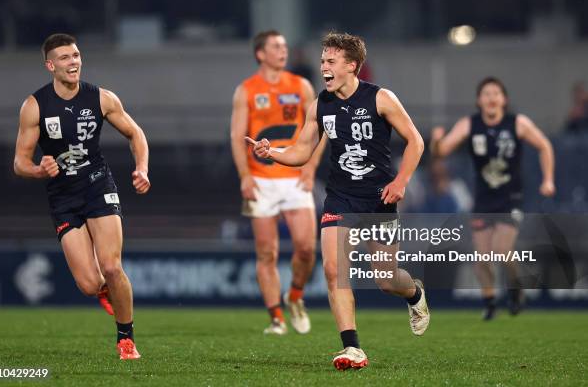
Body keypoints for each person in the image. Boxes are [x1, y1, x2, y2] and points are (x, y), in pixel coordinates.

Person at [247, 32, 429, 370]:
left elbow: (416, 142)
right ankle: (353, 348)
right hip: (340, 198)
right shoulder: (320, 105)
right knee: (334, 271)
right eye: (322, 61)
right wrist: (272, 151)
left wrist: (400, 181)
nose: (323, 67)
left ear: (352, 65)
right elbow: (302, 151)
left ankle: (414, 294)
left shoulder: (381, 98)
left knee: (387, 279)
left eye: (331, 62)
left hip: (378, 199)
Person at [13, 33, 150, 359]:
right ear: (50, 65)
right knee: (89, 284)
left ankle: (126, 339)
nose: (73, 62)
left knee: (112, 266)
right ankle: (105, 291)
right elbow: (19, 161)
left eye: (75, 55)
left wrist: (142, 168)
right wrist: (37, 170)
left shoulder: (102, 98)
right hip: (62, 197)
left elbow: (135, 133)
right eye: (64, 58)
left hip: (97, 186)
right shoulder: (35, 106)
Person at [430, 76, 555, 320]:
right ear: (479, 100)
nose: (491, 98)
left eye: (495, 93)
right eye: (486, 94)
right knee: (482, 259)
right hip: (483, 200)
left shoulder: (517, 123)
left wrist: (548, 179)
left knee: (501, 250)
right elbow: (441, 151)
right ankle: (489, 302)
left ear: (504, 99)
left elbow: (545, 146)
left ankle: (516, 287)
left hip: (511, 198)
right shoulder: (469, 124)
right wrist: (435, 140)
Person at [230, 30, 325, 335]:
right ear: (261, 53)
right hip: (261, 179)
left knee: (307, 249)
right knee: (266, 252)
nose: (283, 50)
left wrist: (310, 167)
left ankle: (295, 296)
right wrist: (245, 175)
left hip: (295, 178)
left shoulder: (301, 86)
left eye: (285, 45)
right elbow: (236, 136)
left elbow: (320, 129)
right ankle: (276, 318)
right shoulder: (246, 90)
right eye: (276, 46)